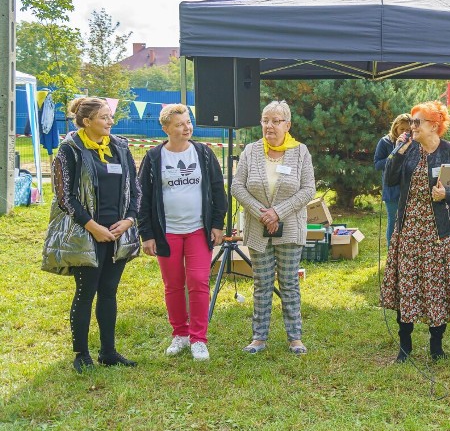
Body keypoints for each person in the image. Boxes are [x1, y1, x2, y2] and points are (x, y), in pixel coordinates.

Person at [41, 97, 141, 373]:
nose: (111, 121)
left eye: (110, 116)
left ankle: (108, 352)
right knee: (86, 293)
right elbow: (64, 196)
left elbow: (135, 189)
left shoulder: (120, 146)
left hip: (118, 233)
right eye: (104, 117)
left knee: (109, 292)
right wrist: (92, 227)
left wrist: (129, 220)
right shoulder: (70, 149)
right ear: (87, 122)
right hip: (86, 234)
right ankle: (80, 354)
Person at [381, 101, 450, 362]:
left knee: (436, 289)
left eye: (417, 122)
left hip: (440, 231)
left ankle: (436, 345)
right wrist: (398, 150)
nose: (412, 127)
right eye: (411, 122)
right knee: (407, 288)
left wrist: (448, 194)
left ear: (434, 125)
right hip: (409, 229)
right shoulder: (407, 149)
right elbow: (389, 179)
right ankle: (405, 346)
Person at [139, 104, 228, 361]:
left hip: (198, 231)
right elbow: (142, 198)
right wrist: (147, 234)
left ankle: (199, 338)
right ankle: (180, 334)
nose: (186, 127)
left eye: (188, 122)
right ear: (166, 128)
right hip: (167, 234)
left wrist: (217, 224)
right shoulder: (154, 157)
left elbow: (217, 191)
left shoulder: (204, 153)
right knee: (174, 285)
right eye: (179, 124)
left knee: (199, 282)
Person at [232, 100, 316, 355]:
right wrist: (263, 214)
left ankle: (295, 337)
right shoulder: (250, 151)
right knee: (262, 283)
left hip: (290, 228)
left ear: (287, 125)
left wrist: (278, 212)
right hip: (258, 228)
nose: (269, 126)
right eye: (265, 120)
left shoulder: (300, 152)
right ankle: (259, 338)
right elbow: (237, 186)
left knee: (289, 282)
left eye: (275, 121)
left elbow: (308, 189)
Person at [374, 113, 412, 247]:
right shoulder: (385, 142)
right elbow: (377, 164)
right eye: (402, 129)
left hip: (409, 188)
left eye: (409, 130)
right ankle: (391, 252)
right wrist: (395, 155)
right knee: (393, 220)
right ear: (395, 128)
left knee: (408, 222)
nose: (405, 133)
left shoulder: (414, 142)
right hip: (392, 189)